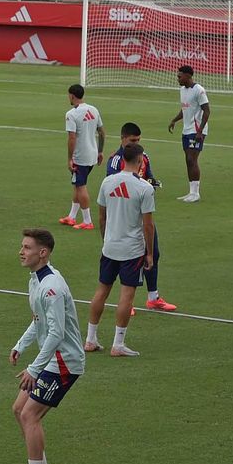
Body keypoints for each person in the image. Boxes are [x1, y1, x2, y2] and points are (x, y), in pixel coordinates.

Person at [6, 228, 84, 464]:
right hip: (52, 358)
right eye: (22, 246)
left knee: (30, 415)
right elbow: (39, 321)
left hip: (64, 362)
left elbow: (56, 333)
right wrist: (20, 344)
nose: (21, 251)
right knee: (19, 409)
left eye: (27, 247)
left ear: (43, 252)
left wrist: (34, 368)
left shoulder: (52, 287)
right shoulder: (36, 279)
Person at [85, 142, 156, 358]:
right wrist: (150, 253)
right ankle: (118, 343)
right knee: (127, 294)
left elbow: (102, 216)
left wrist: (106, 239)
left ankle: (90, 339)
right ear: (140, 160)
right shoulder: (144, 188)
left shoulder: (107, 182)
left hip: (110, 246)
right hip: (131, 249)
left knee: (101, 291)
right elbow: (148, 225)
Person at [106, 123, 176, 312]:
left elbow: (149, 177)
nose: (136, 144)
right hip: (124, 218)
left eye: (138, 140)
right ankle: (126, 302)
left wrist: (152, 184)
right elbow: (115, 186)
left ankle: (153, 297)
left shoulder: (143, 157)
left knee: (153, 252)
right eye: (132, 140)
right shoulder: (115, 161)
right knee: (127, 258)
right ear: (122, 139)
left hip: (142, 215)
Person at [59, 84, 103, 231]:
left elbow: (72, 138)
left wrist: (70, 158)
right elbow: (102, 132)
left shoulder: (71, 114)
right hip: (92, 154)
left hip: (80, 157)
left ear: (72, 95)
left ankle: (87, 221)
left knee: (80, 186)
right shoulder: (94, 109)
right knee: (77, 185)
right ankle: (71, 216)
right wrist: (100, 151)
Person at [167, 65, 210, 202]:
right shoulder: (182, 90)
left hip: (196, 130)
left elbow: (207, 111)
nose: (177, 79)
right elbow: (184, 109)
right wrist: (174, 120)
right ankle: (191, 192)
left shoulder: (199, 90)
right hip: (186, 130)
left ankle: (196, 193)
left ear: (188, 76)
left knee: (192, 159)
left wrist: (200, 131)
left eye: (180, 76)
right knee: (188, 160)